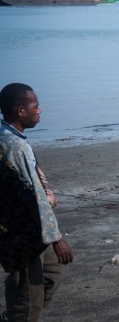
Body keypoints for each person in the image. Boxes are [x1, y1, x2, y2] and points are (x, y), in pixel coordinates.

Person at [0, 83, 73, 322]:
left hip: (36, 231)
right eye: (36, 106)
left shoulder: (10, 136)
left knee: (52, 274)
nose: (39, 110)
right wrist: (58, 238)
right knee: (27, 298)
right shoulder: (14, 146)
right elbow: (33, 198)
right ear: (20, 110)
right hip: (23, 234)